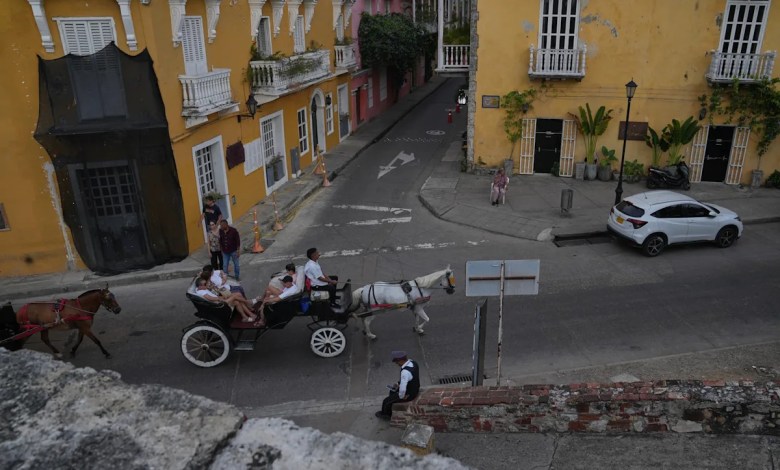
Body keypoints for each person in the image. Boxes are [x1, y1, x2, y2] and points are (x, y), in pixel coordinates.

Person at [193, 278, 261, 324]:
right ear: (200, 286)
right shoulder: (201, 292)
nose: (206, 285)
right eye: (205, 284)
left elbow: (212, 295)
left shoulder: (201, 289)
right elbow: (210, 298)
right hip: (218, 304)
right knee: (235, 296)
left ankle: (245, 317)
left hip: (219, 300)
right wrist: (220, 298)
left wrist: (220, 296)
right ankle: (248, 302)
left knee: (237, 300)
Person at [376, 351, 420, 420]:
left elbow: (402, 389)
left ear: (401, 360)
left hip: (409, 394)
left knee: (386, 401)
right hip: (415, 389)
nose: (396, 364)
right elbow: (411, 378)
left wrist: (402, 397)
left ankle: (386, 415)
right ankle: (391, 408)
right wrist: (398, 384)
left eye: (397, 362)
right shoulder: (413, 363)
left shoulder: (405, 372)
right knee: (392, 392)